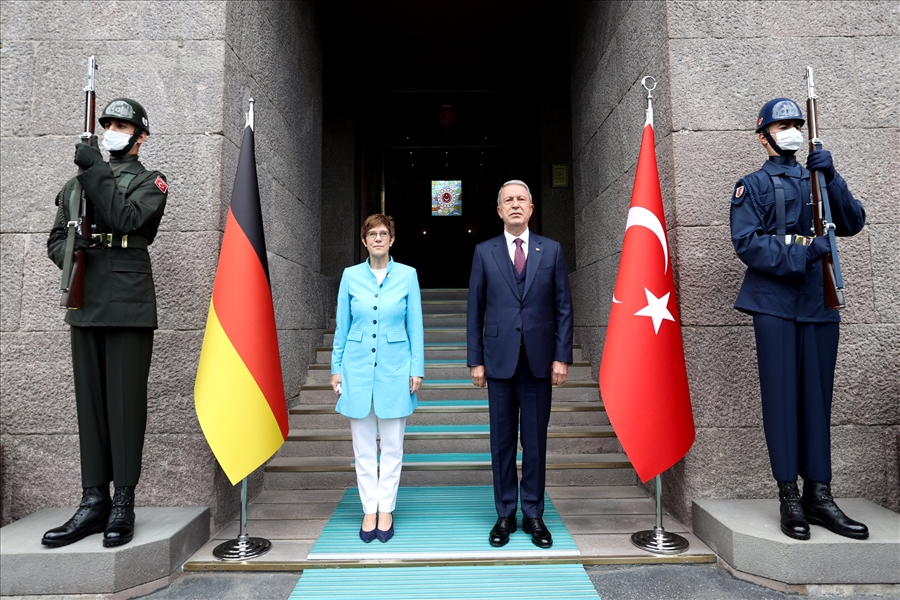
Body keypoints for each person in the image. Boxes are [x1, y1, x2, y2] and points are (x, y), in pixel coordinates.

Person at [730, 98, 868, 541]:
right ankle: (789, 495)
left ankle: (819, 494)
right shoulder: (750, 186)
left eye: (795, 123)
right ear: (763, 135)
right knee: (782, 399)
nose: (790, 130)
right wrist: (801, 253)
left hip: (817, 301)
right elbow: (747, 243)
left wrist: (832, 176)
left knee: (817, 399)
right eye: (782, 124)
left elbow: (853, 221)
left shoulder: (818, 176)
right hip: (774, 301)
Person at [43, 98, 168, 548]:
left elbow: (124, 218)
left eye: (123, 124)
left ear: (141, 136)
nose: (114, 129)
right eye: (108, 123)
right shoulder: (74, 184)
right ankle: (93, 499)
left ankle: (122, 502)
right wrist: (75, 260)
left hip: (128, 302)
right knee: (91, 406)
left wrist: (94, 168)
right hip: (86, 299)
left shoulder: (151, 181)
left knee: (124, 404)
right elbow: (57, 237)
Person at [466, 180, 573, 548]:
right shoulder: (484, 252)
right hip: (497, 361)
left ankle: (533, 515)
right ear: (499, 211)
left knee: (535, 441)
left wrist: (562, 356)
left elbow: (563, 308)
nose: (514, 205)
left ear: (531, 208)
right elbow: (475, 310)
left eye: (521, 199)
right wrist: (475, 360)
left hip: (540, 361)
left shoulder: (552, 250)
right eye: (508, 200)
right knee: (502, 442)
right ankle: (505, 514)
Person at [330, 214, 424, 543]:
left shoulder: (408, 276)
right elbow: (342, 326)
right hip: (355, 370)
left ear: (392, 239)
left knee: (393, 447)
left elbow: (415, 327)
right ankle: (369, 508)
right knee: (364, 447)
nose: (379, 239)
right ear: (364, 241)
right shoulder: (350, 276)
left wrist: (417, 368)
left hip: (396, 369)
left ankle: (387, 508)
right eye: (373, 234)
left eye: (384, 233)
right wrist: (336, 367)